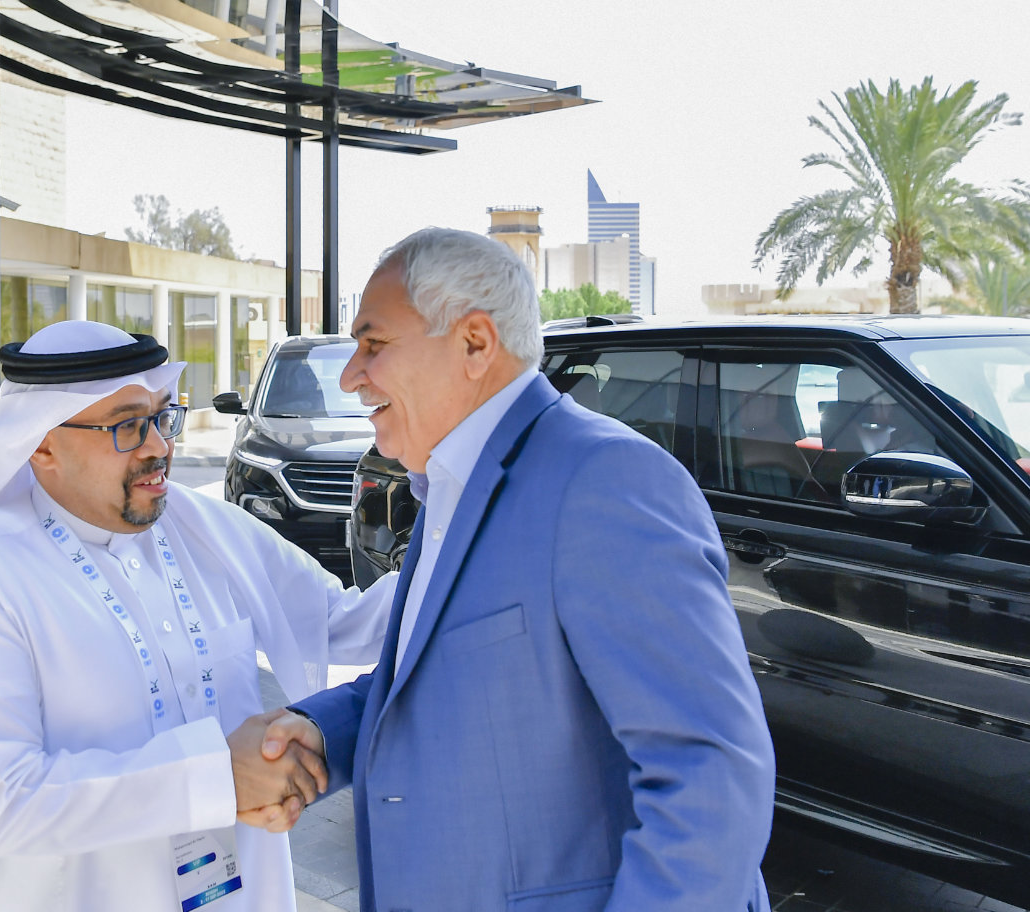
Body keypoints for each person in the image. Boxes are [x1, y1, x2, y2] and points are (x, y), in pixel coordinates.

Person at [248, 228, 776, 911]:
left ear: (474, 343)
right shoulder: (445, 486)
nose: (350, 375)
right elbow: (440, 679)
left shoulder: (606, 481)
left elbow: (710, 776)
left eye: (373, 344)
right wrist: (321, 732)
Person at [0, 320, 396, 912]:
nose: (159, 445)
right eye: (127, 427)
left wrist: (470, 549)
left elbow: (345, 620)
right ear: (42, 445)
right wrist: (214, 778)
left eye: (163, 417)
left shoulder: (197, 524)